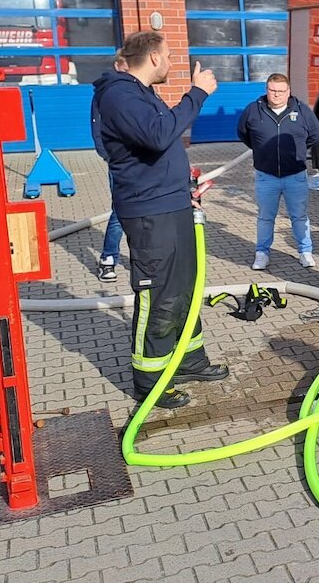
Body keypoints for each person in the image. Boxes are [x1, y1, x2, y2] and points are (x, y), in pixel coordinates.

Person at [94, 31, 229, 410]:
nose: (171, 63)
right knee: (158, 295)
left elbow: (158, 148)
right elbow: (158, 135)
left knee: (184, 287)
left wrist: (185, 184)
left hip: (171, 204)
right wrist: (197, 93)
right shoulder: (120, 95)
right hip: (150, 213)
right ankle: (150, 380)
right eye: (168, 55)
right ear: (153, 57)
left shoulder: (140, 94)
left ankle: (188, 360)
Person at [237, 73, 319, 271]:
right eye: (272, 90)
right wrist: (261, 150)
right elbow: (242, 132)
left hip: (295, 176)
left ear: (288, 92)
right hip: (266, 177)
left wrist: (297, 152)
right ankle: (262, 253)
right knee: (265, 217)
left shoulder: (301, 110)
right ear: (266, 90)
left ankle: (305, 252)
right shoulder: (253, 110)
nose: (276, 95)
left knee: (299, 216)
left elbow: (315, 134)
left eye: (281, 91)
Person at [91, 51, 128, 282]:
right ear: (117, 65)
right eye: (126, 66)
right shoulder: (104, 94)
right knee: (121, 210)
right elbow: (98, 128)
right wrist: (109, 156)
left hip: (143, 163)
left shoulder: (141, 89)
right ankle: (108, 259)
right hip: (119, 162)